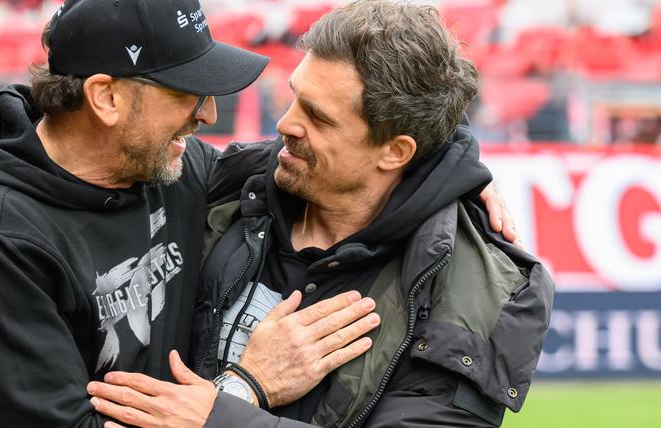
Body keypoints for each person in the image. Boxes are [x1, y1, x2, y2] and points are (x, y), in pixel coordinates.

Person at [0, 0, 520, 426]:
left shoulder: (173, 171)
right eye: (186, 92)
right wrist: (244, 390)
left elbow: (352, 151)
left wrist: (453, 175)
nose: (207, 114)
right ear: (106, 97)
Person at [82, 1, 553, 427]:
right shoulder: (228, 182)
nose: (285, 123)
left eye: (319, 117)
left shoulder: (472, 290)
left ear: (395, 151)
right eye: (295, 96)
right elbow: (81, 149)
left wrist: (225, 413)